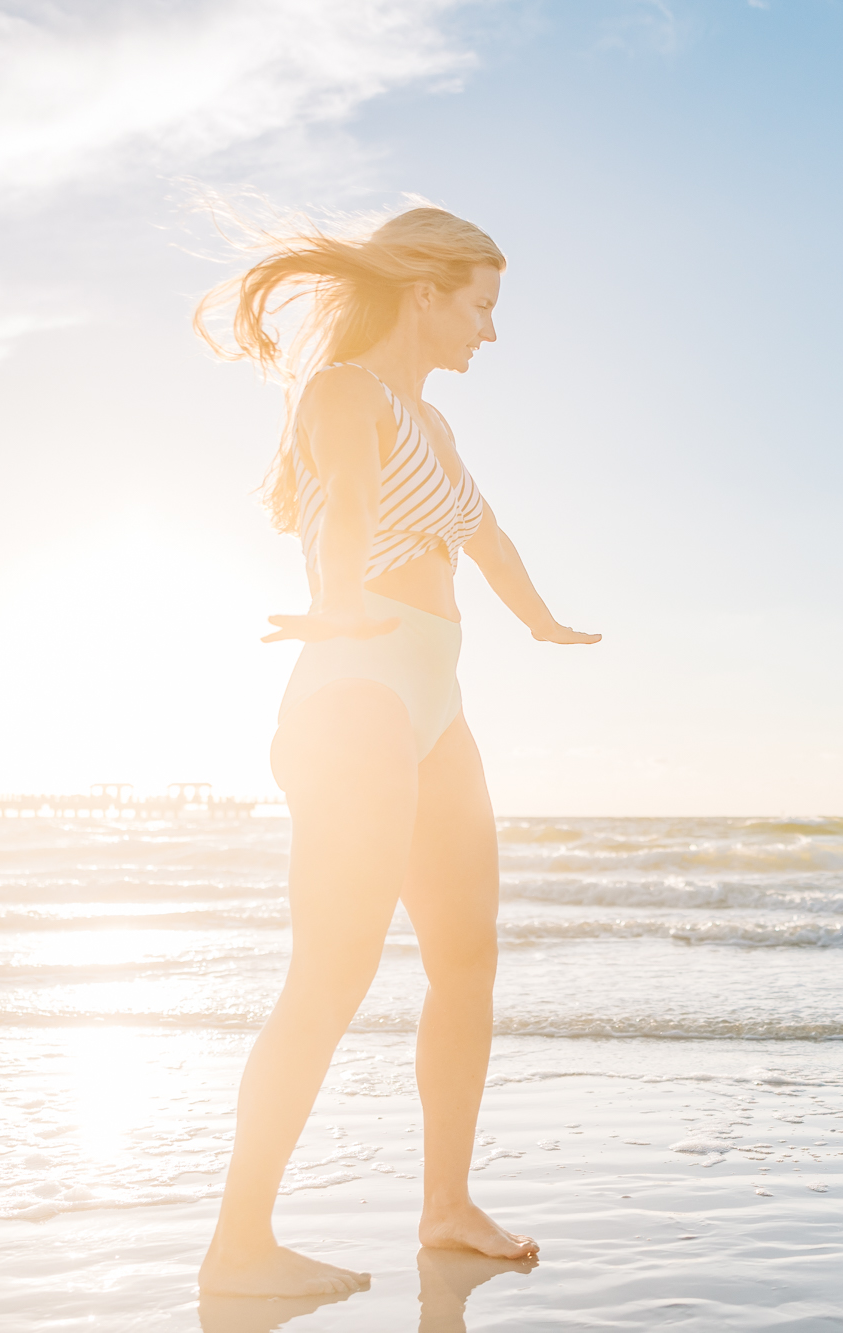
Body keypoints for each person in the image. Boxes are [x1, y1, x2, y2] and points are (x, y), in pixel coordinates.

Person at [191, 206, 603, 1298]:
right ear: (422, 293)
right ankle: (239, 1242)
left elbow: (488, 535)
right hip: (356, 685)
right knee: (332, 967)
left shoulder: (438, 426)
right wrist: (331, 603)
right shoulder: (345, 395)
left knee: (467, 954)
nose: (490, 332)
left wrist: (541, 619)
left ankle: (446, 1205)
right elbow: (350, 512)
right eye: (479, 307)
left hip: (433, 690)